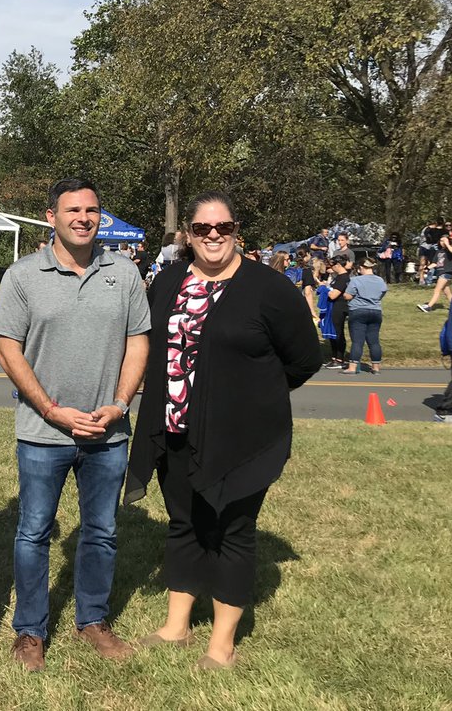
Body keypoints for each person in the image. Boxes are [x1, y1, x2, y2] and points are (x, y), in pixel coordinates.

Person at [125, 191, 321, 670]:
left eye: (224, 228)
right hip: (175, 430)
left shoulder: (269, 289)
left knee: (233, 531)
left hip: (243, 437)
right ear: (187, 235)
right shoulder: (168, 280)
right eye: (202, 229)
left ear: (237, 233)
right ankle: (175, 627)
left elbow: (304, 359)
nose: (213, 236)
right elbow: (152, 346)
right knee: (184, 523)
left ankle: (222, 644)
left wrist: (253, 393)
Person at [0, 177, 150, 670]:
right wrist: (49, 409)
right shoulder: (22, 276)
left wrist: (121, 403)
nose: (83, 218)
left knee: (101, 530)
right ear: (51, 216)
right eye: (72, 210)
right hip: (43, 433)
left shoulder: (123, 274)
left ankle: (93, 621)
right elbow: (7, 348)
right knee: (35, 531)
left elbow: (138, 342)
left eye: (92, 210)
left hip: (108, 432)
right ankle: (30, 632)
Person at [344, 258, 388, 375]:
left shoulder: (356, 280)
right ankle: (376, 367)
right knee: (374, 341)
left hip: (358, 310)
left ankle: (352, 367)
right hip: (375, 311)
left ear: (361, 268)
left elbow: (348, 296)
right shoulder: (380, 280)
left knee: (358, 341)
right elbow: (383, 292)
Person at [325, 257, 353, 370]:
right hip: (333, 307)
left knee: (337, 332)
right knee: (332, 332)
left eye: (332, 265)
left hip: (339, 307)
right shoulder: (338, 277)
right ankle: (334, 357)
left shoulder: (343, 278)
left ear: (338, 265)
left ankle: (340, 359)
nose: (331, 268)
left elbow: (333, 295)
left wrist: (324, 289)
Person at [418, 224, 452, 312]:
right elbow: (435, 263)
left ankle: (429, 306)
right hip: (440, 272)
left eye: (443, 241)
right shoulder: (439, 252)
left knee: (437, 290)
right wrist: (427, 268)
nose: (442, 242)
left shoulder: (450, 249)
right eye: (441, 241)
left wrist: (447, 243)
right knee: (447, 293)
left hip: (446, 273)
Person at [419, 218, 444, 284]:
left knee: (430, 263)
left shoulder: (431, 229)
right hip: (425, 247)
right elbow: (428, 239)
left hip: (430, 247)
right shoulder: (428, 229)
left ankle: (427, 279)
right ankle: (421, 279)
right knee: (423, 263)